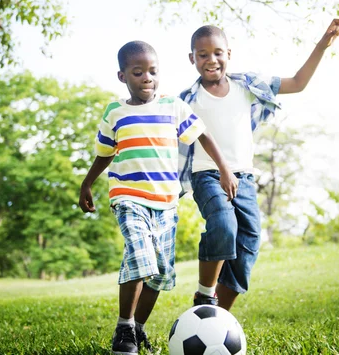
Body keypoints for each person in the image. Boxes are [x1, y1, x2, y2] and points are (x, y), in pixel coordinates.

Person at [79, 41, 238, 355]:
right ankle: (123, 329)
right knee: (141, 259)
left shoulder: (172, 106)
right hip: (128, 198)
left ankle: (137, 328)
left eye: (153, 71)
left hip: (166, 203)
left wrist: (224, 169)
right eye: (138, 73)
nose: (147, 78)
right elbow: (104, 154)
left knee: (160, 272)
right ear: (122, 76)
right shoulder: (115, 112)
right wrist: (87, 184)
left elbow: (203, 134)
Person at [179, 19, 339, 310]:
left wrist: (322, 45)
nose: (211, 60)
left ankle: (216, 316)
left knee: (248, 244)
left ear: (229, 54)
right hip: (206, 174)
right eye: (203, 54)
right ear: (191, 58)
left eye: (218, 52)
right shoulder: (186, 101)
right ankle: (205, 294)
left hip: (243, 178)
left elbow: (298, 83)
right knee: (223, 224)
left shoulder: (246, 86)